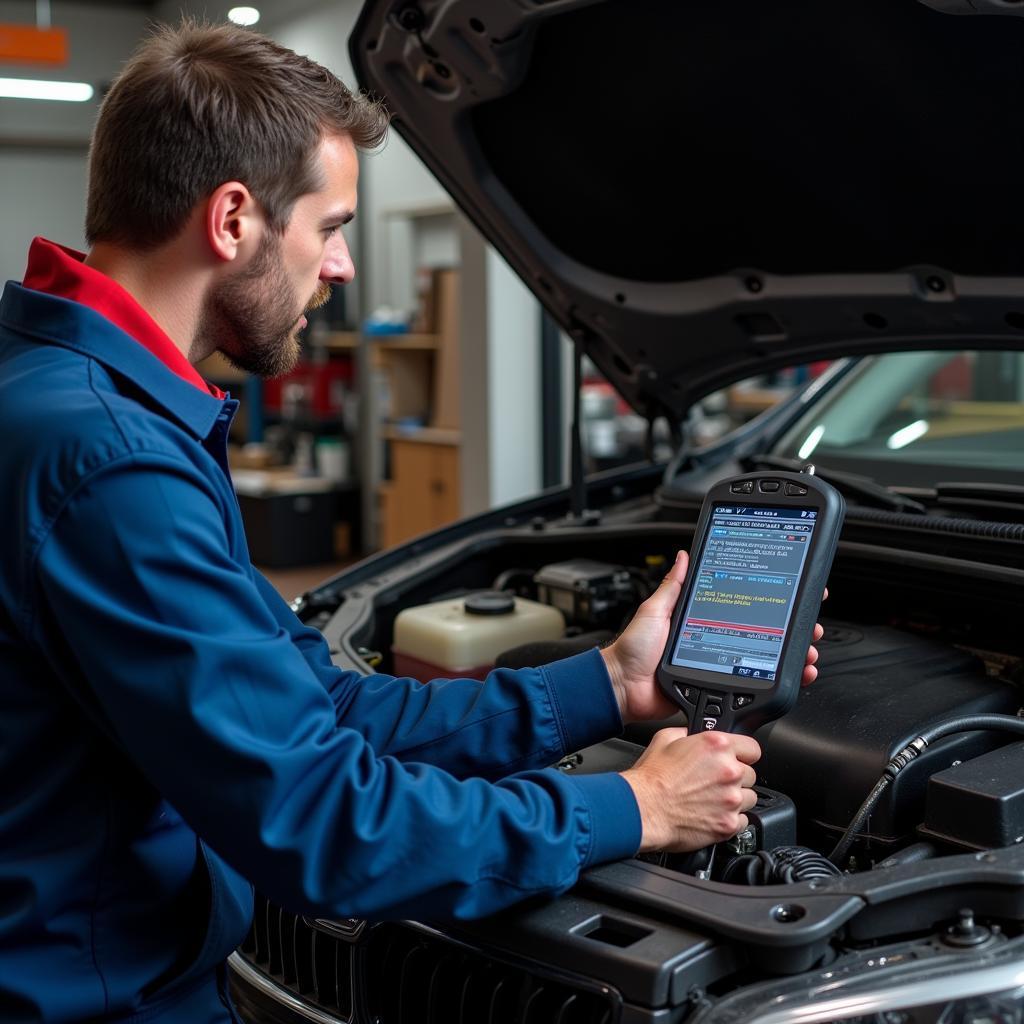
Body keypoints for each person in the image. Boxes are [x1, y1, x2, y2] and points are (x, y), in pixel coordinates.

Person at [0, 21, 823, 1024]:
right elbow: (324, 820)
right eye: (331, 225)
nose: (341, 266)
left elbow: (319, 711)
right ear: (230, 221)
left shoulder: (67, 400)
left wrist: (608, 683)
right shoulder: (113, 463)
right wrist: (636, 806)